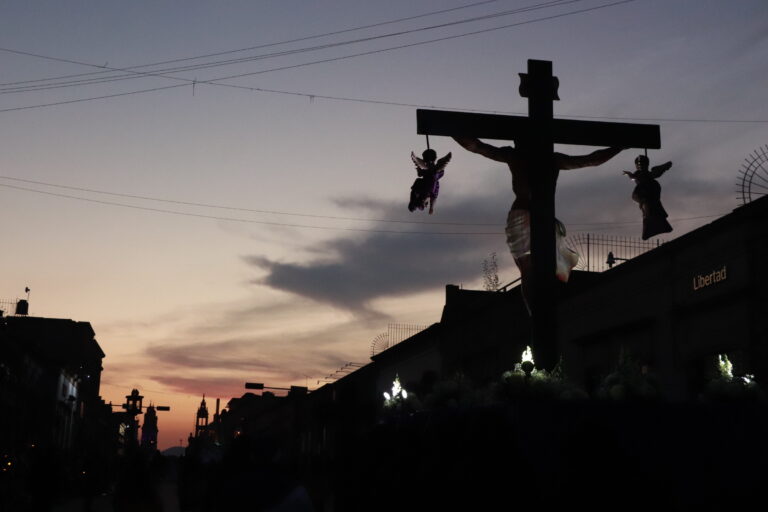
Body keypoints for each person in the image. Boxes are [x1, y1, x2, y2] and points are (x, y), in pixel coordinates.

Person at [452, 136, 625, 309]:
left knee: (530, 269)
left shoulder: (517, 156)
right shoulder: (549, 159)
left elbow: (477, 146)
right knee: (539, 268)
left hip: (528, 214)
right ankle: (539, 311)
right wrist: (619, 146)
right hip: (537, 216)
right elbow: (591, 160)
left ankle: (538, 311)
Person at [623, 155, 673, 240]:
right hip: (643, 192)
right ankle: (650, 228)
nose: (639, 166)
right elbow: (634, 178)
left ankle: (657, 227)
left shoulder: (648, 175)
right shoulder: (638, 174)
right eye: (638, 165)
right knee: (647, 212)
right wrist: (629, 174)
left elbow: (652, 175)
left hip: (649, 191)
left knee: (650, 211)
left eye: (641, 164)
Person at [409, 149, 451, 214]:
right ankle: (442, 161)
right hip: (433, 175)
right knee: (436, 170)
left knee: (433, 170)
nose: (426, 204)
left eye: (425, 203)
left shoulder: (419, 191)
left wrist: (420, 170)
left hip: (430, 175)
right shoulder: (431, 193)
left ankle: (440, 162)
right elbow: (434, 197)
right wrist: (431, 207)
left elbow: (418, 180)